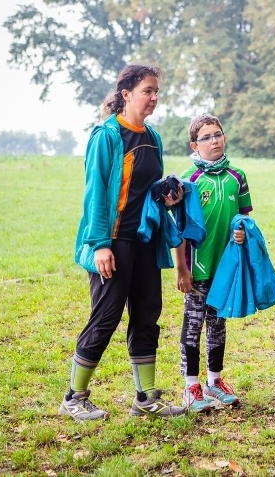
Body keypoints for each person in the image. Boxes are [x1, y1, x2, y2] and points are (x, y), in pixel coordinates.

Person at [61, 64, 187, 420]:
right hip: (113, 243)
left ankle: (146, 397)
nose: (154, 98)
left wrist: (168, 196)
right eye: (147, 91)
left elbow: (147, 190)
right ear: (126, 94)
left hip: (144, 241)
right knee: (105, 316)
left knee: (147, 315)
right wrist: (100, 244)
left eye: (156, 92)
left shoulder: (153, 136)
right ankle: (74, 396)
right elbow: (96, 193)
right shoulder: (107, 135)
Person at [174, 114, 252, 412]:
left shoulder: (238, 176)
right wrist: (182, 269)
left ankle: (214, 381)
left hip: (226, 266)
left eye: (217, 134)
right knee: (194, 324)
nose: (214, 141)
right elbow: (178, 228)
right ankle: (191, 387)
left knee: (217, 324)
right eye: (206, 137)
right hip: (197, 266)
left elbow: (245, 217)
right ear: (195, 144)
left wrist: (242, 232)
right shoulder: (188, 180)